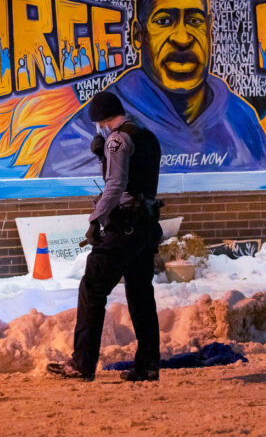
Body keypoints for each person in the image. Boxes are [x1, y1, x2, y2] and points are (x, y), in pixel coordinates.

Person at [40, 0, 266, 177]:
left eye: (195, 20)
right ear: (138, 35)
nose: (182, 38)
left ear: (210, 31)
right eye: (163, 21)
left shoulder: (242, 121)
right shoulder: (80, 138)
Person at [46, 91, 163, 382]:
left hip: (124, 226)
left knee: (92, 289)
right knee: (140, 295)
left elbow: (115, 186)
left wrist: (95, 220)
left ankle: (82, 364)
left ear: (101, 119)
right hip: (146, 225)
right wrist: (104, 156)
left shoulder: (117, 140)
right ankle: (148, 365)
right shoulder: (146, 135)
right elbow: (138, 178)